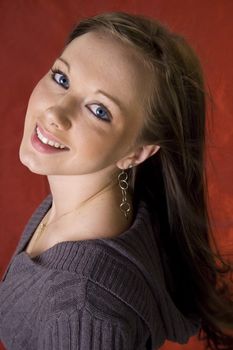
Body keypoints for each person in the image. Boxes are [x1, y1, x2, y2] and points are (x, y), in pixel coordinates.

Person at [0, 11, 232, 350]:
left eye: (99, 110)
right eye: (62, 78)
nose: (55, 113)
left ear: (137, 153)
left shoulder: (85, 313)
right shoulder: (87, 197)